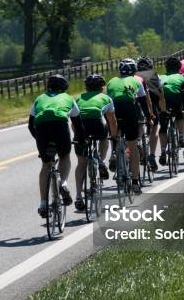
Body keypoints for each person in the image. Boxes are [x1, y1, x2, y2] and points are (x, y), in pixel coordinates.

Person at [28, 74, 85, 218]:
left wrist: (40, 140)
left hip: (42, 128)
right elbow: (77, 124)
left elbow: (30, 125)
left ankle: (42, 204)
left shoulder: (39, 99)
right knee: (64, 156)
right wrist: (82, 139)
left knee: (46, 165)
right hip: (60, 125)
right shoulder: (68, 98)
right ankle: (63, 184)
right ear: (64, 88)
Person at [73, 74, 118, 211]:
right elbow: (112, 121)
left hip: (81, 127)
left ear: (86, 87)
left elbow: (74, 122)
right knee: (104, 138)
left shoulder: (78, 98)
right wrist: (114, 137)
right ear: (101, 87)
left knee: (81, 162)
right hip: (97, 124)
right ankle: (100, 160)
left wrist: (78, 136)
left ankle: (79, 197)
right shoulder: (106, 98)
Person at [107, 59, 152, 194]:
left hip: (115, 110)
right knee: (132, 146)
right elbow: (143, 102)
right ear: (134, 71)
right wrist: (149, 118)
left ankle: (114, 152)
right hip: (129, 110)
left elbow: (108, 101)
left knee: (115, 133)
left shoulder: (111, 82)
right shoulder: (137, 81)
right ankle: (134, 182)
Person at [136, 56, 166, 172]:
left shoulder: (134, 76)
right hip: (151, 104)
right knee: (155, 127)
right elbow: (161, 94)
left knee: (140, 125)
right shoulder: (153, 75)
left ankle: (139, 140)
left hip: (136, 104)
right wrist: (163, 111)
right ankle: (152, 155)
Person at [158, 56, 184, 165]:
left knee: (163, 126)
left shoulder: (160, 76)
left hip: (162, 99)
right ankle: (181, 137)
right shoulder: (181, 76)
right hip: (175, 98)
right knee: (179, 114)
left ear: (166, 67)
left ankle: (163, 151)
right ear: (179, 67)